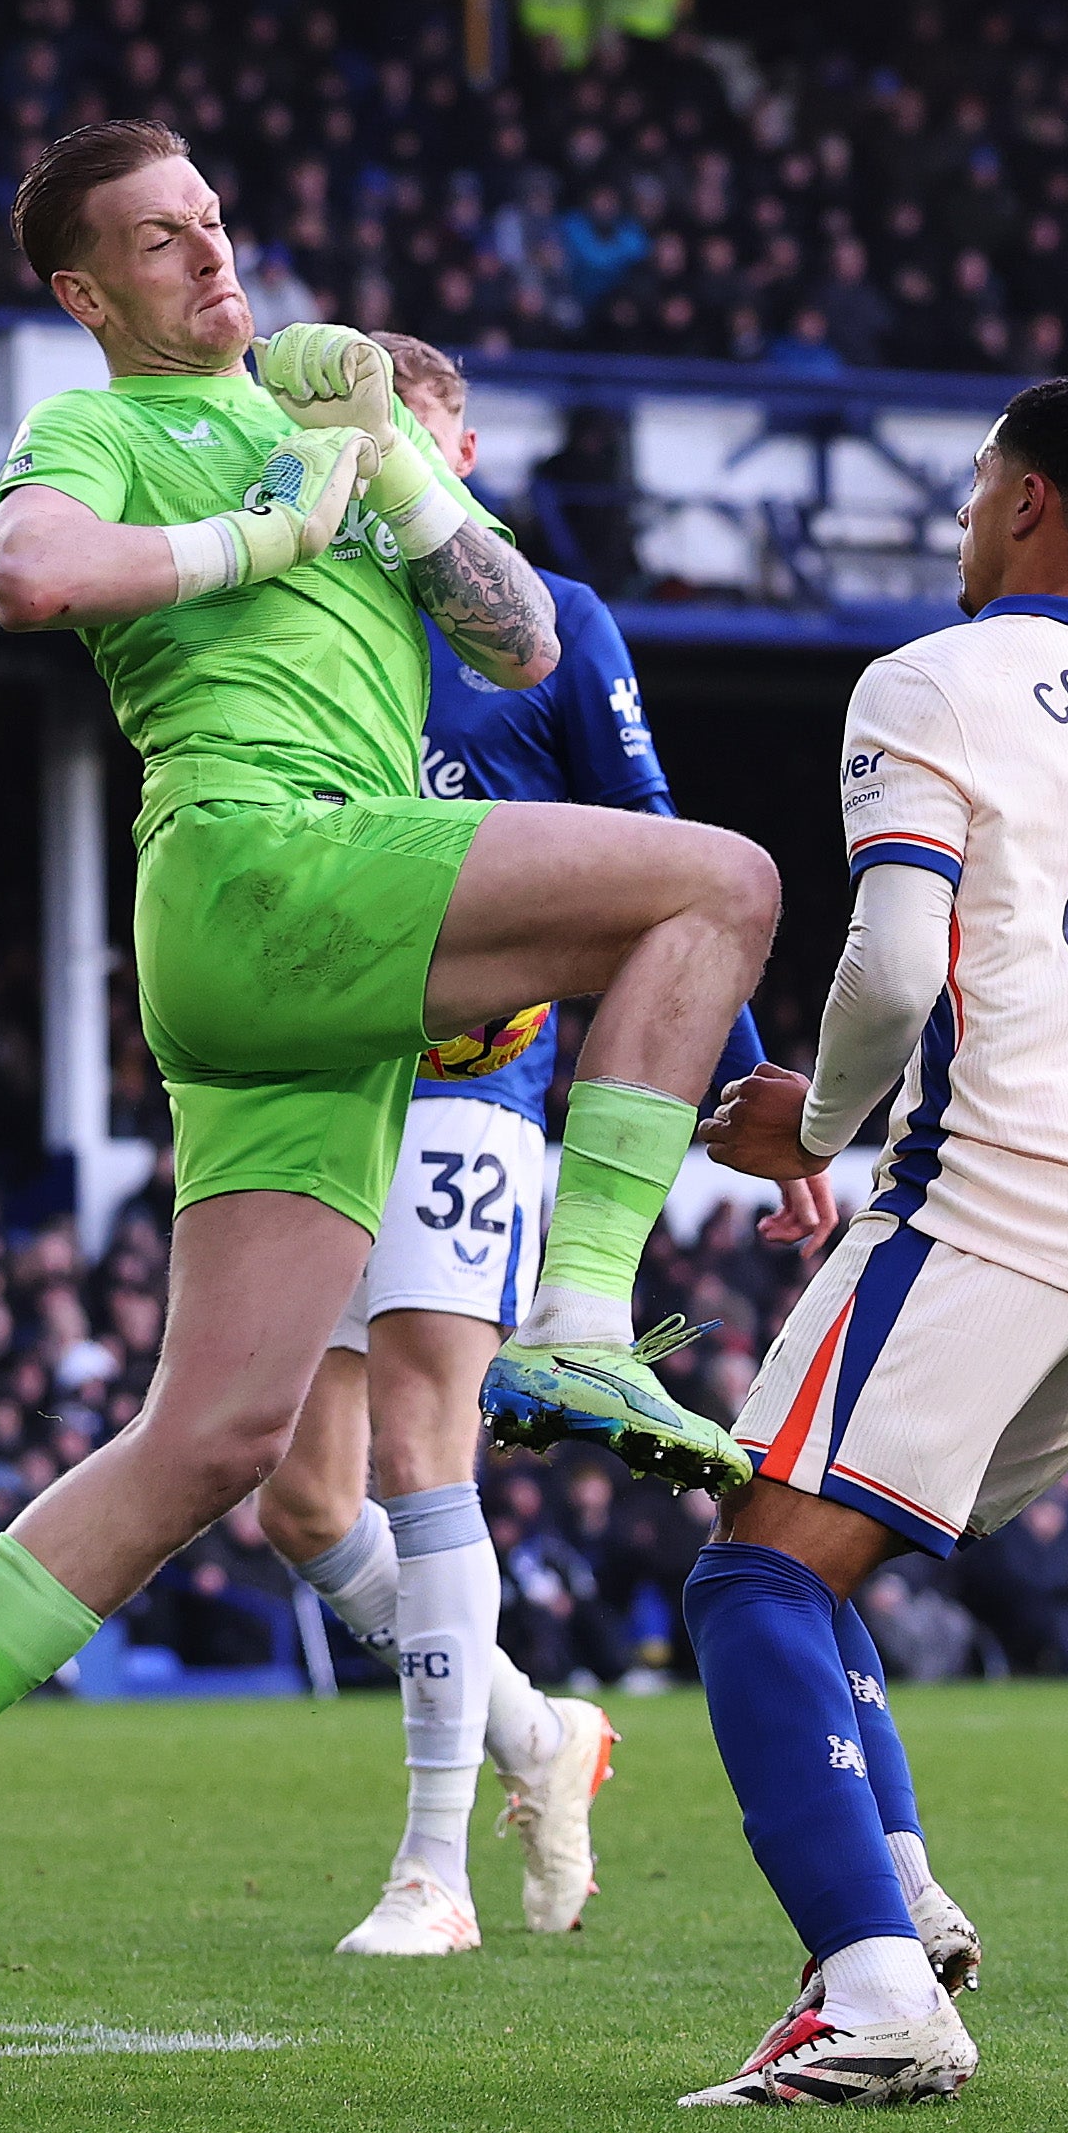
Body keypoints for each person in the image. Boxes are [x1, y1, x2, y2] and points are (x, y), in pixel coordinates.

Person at [0, 120, 781, 2012]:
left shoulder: (332, 414)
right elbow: (31, 576)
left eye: (214, 223)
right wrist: (270, 528)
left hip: (283, 977)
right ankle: (581, 1314)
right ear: (86, 295)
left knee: (222, 1442)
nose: (207, 259)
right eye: (158, 242)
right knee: (721, 882)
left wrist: (393, 467)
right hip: (259, 856)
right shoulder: (106, 431)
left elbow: (524, 631)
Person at [683, 375, 1068, 2105]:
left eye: (974, 493)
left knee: (748, 1579)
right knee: (814, 1552)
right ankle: (896, 1898)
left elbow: (891, 965)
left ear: (1026, 498)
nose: (963, 522)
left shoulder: (931, 681)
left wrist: (807, 1128)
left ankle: (875, 1992)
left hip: (989, 1201)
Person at [257, 328, 833, 1958]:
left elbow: (667, 858)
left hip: (473, 1089)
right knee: (296, 1505)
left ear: (464, 457)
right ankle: (536, 1730)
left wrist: (747, 1090)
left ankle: (432, 1867)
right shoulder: (316, 620)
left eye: (412, 432)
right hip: (316, 1082)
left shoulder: (549, 626)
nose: (384, 459)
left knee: (428, 1439)